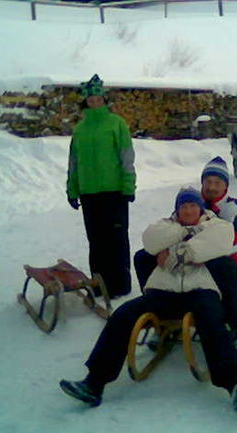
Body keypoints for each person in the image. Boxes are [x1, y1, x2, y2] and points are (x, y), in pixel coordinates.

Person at [60, 187, 237, 412]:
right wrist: (185, 233)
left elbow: (220, 241)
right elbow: (151, 240)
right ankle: (94, 383)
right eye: (184, 206)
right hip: (162, 291)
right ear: (177, 210)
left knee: (213, 321)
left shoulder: (215, 224)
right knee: (123, 315)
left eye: (193, 206)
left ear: (200, 208)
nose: (189, 210)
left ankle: (235, 384)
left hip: (200, 290)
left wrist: (180, 253)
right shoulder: (166, 225)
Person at [134, 156, 237, 353]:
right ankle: (159, 314)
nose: (212, 187)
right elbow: (175, 227)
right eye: (208, 182)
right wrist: (164, 250)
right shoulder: (192, 202)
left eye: (217, 182)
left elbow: (233, 242)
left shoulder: (235, 208)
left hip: (221, 257)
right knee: (143, 257)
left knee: (223, 266)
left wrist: (192, 252)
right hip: (185, 258)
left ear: (225, 185)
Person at [66, 74, 136, 299]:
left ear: (104, 100)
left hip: (114, 192)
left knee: (116, 239)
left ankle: (120, 284)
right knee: (96, 241)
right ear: (85, 102)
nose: (95, 102)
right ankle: (98, 283)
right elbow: (74, 161)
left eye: (98, 99)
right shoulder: (80, 129)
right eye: (90, 99)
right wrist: (72, 189)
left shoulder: (116, 123)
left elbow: (126, 156)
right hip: (89, 193)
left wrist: (128, 186)